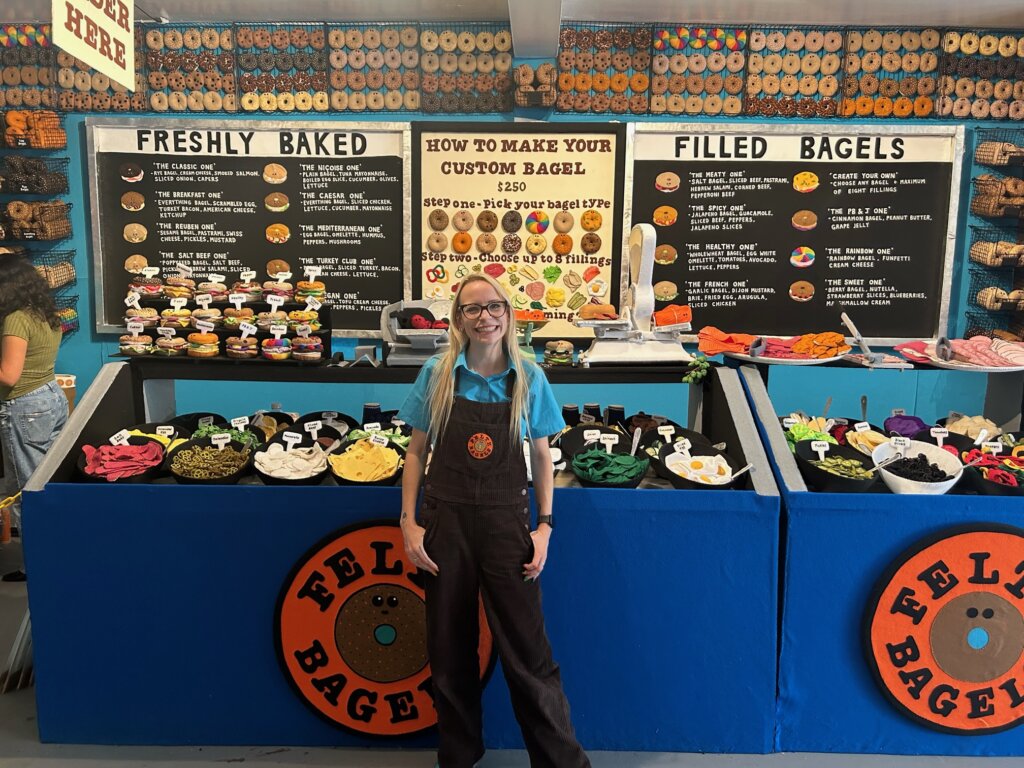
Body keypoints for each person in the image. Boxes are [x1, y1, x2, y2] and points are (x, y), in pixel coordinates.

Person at [399, 274, 590, 768]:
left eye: (494, 307)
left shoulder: (529, 377)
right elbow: (416, 454)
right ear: (458, 320)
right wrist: (408, 522)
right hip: (446, 525)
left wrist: (545, 525)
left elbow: (543, 457)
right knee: (449, 648)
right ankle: (459, 756)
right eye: (472, 309)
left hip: (508, 525)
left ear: (509, 313)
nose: (485, 317)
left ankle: (561, 763)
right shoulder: (439, 374)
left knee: (529, 655)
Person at [0, 257, 67, 582]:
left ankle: (36, 567)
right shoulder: (44, 313)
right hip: (50, 396)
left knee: (24, 492)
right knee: (47, 483)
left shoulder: (15, 319)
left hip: (25, 406)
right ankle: (58, 550)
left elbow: (8, 376)